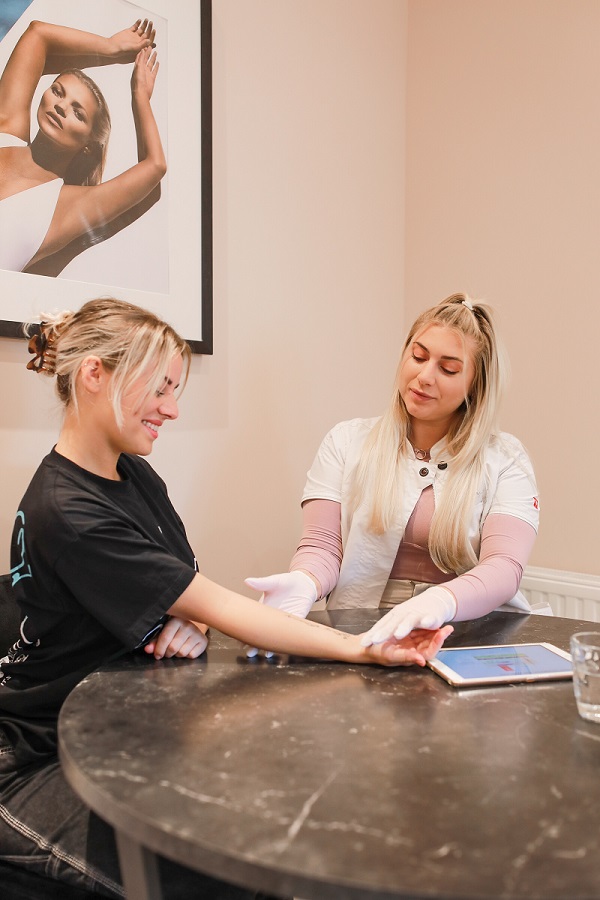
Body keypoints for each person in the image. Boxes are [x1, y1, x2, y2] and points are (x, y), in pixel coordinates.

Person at [0, 298, 452, 899]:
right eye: (160, 388)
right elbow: (216, 603)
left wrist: (192, 619)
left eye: (174, 390)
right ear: (94, 375)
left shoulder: (132, 474)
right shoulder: (69, 510)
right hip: (35, 759)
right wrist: (363, 649)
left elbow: (187, 587)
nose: (172, 408)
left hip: (113, 732)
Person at [245, 292, 549, 658]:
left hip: (471, 632)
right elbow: (322, 547)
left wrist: (442, 600)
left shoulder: (506, 460)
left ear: (475, 385)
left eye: (448, 369)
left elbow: (503, 568)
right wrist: (304, 581)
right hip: (362, 629)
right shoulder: (346, 442)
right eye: (418, 357)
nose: (424, 376)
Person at [0, 17, 165, 276]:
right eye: (58, 91)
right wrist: (110, 48)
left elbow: (155, 167)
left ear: (89, 145)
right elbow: (38, 34)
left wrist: (139, 96)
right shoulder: (5, 131)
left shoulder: (65, 208)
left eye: (78, 113)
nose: (61, 107)